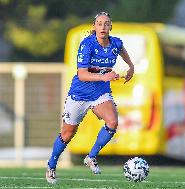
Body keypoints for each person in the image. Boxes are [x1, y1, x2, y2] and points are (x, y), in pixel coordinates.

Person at [45, 11, 134, 184]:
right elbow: (82, 74)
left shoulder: (115, 43)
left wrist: (130, 66)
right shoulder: (87, 45)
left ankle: (91, 157)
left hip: (100, 92)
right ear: (94, 27)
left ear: (110, 27)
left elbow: (121, 49)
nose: (103, 27)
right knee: (67, 134)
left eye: (106, 23)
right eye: (99, 23)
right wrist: (104, 76)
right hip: (80, 94)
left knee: (112, 122)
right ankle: (51, 164)